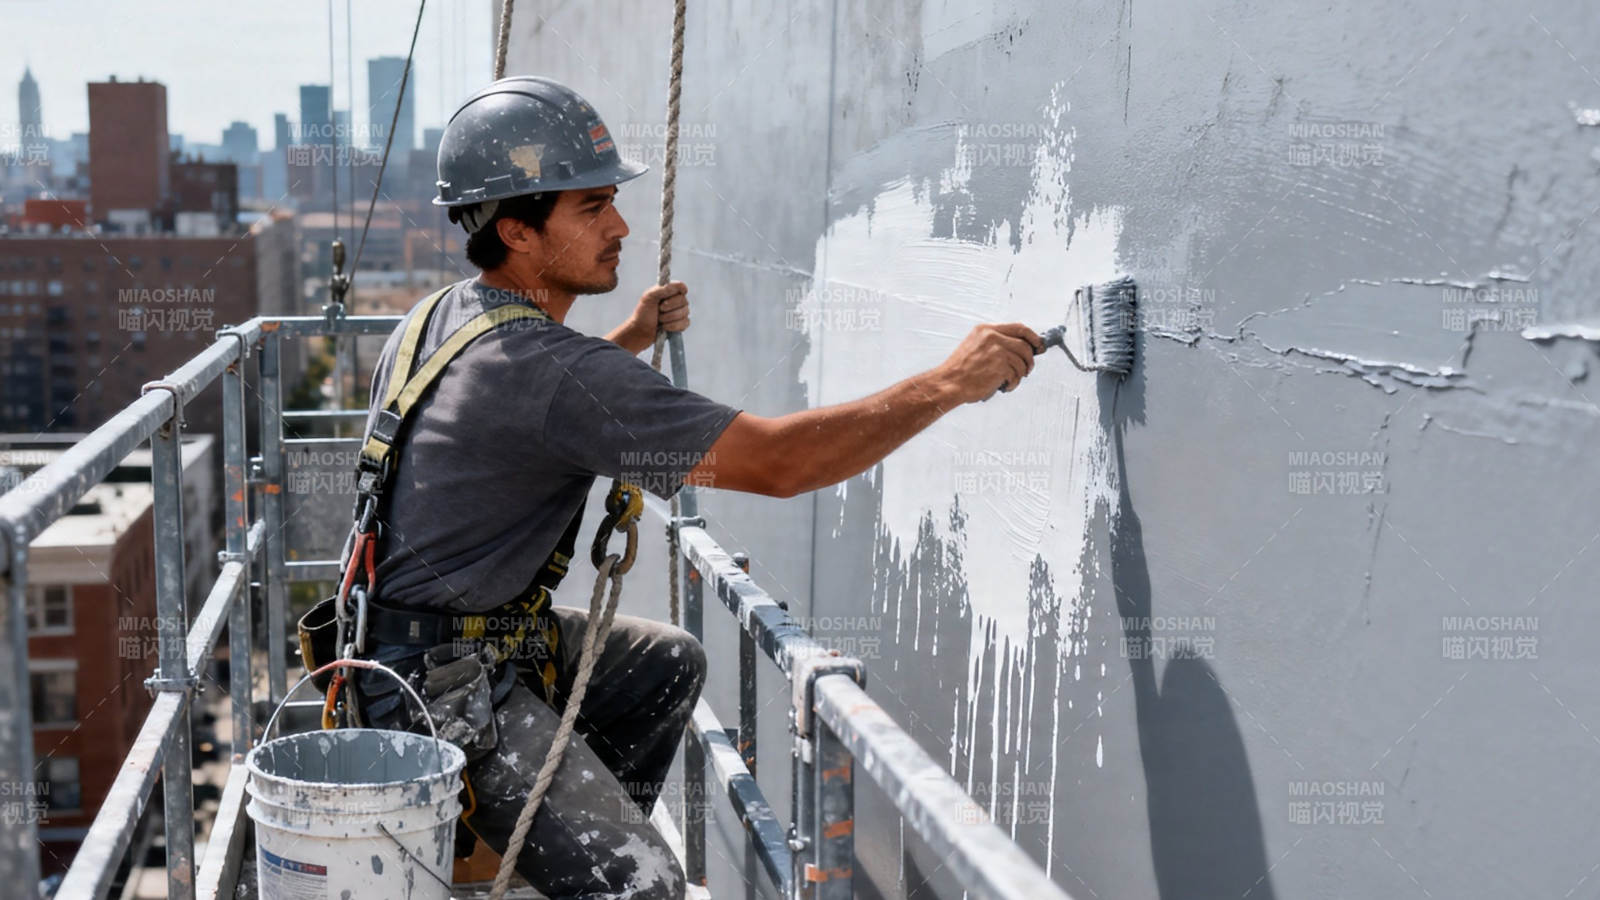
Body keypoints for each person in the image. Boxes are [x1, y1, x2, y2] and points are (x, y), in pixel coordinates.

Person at [349, 75, 1044, 899]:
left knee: (665, 662)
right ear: (517, 230)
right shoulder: (557, 374)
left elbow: (526, 413)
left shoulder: (438, 317)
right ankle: (604, 876)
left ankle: (564, 860)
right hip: (438, 693)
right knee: (647, 887)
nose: (620, 226)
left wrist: (629, 338)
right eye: (593, 207)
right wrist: (949, 383)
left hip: (398, 647)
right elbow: (780, 464)